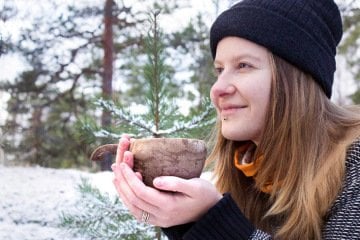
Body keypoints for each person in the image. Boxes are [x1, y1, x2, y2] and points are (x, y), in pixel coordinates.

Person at [112, 0, 360, 239]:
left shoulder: (354, 167)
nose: (217, 89)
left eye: (243, 65)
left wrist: (216, 222)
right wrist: (183, 221)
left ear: (294, 79)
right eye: (219, 70)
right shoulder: (246, 173)